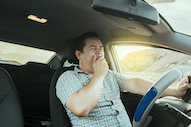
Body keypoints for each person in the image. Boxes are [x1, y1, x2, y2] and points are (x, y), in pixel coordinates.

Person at [56, 32, 191, 127]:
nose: (99, 53)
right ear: (79, 54)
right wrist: (98, 75)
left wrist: (175, 92)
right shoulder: (67, 78)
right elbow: (80, 109)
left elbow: (135, 84)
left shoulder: (110, 75)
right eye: (93, 48)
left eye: (101, 49)